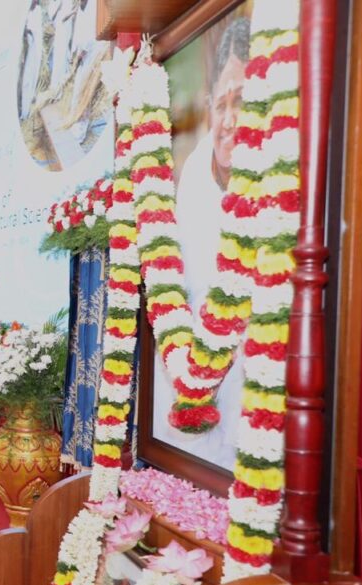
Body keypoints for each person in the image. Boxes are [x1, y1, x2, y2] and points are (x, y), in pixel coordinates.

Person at [152, 16, 250, 471]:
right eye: (222, 102)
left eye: (243, 102)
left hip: (252, 380)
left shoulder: (278, 175)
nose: (229, 119)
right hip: (181, 371)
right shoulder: (192, 171)